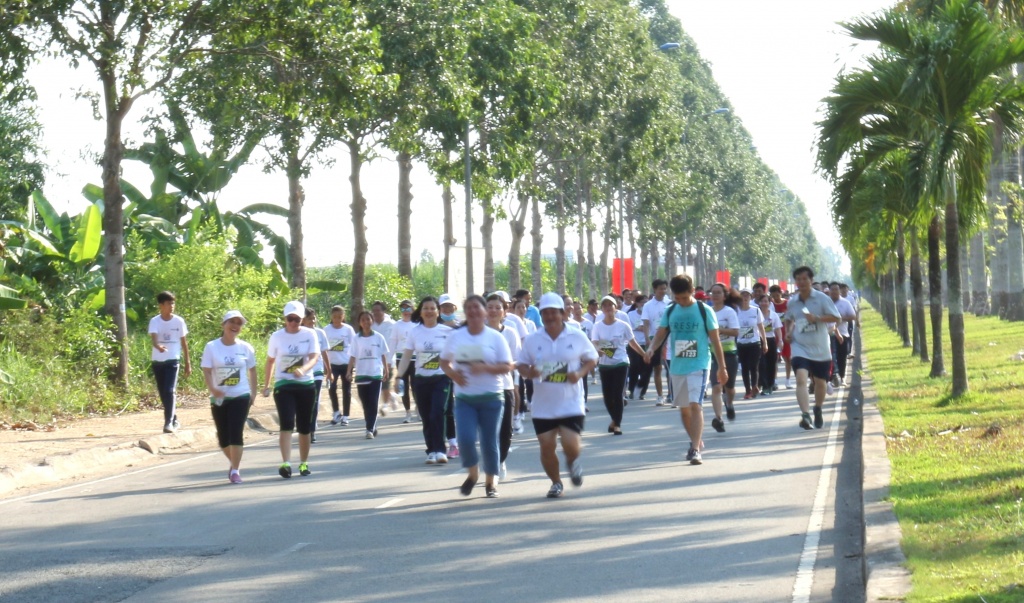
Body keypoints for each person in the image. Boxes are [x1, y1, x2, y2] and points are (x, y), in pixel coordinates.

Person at [517, 293, 599, 498]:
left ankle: (573, 462)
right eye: (546, 313)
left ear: (562, 313)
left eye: (554, 312)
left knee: (571, 445)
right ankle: (556, 482)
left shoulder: (576, 335)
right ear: (541, 315)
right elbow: (521, 364)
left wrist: (579, 373)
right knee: (546, 446)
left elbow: (592, 359)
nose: (550, 316)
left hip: (570, 402)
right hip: (543, 405)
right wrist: (529, 373)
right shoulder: (533, 339)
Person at [645, 274, 728, 465]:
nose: (681, 301)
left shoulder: (704, 310)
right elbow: (661, 333)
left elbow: (715, 340)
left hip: (699, 363)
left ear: (692, 292)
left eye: (684, 297)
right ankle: (696, 439)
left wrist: (721, 367)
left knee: (695, 405)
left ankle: (695, 449)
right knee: (684, 410)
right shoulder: (671, 310)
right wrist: (651, 348)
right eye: (677, 298)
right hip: (677, 365)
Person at [440, 295, 514, 498]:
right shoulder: (457, 336)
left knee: (490, 441)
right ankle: (473, 474)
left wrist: (486, 368)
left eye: (477, 308)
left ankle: (491, 482)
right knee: (465, 439)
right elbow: (444, 362)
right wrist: (454, 374)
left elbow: (507, 365)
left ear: (484, 312)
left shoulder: (495, 337)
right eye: (469, 308)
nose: (473, 311)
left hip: (491, 398)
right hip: (465, 399)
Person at [262, 300, 320, 478]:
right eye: (290, 319)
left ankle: (303, 463)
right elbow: (270, 361)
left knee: (304, 427)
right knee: (286, 422)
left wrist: (303, 369)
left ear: (302, 319)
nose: (293, 323)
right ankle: (286, 463)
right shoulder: (277, 336)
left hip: (305, 385)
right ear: (285, 319)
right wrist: (266, 385)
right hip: (284, 385)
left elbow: (314, 356)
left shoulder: (310, 334)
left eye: (297, 319)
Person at [200, 310, 257, 484]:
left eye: (239, 323)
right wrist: (213, 389)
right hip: (219, 398)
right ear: (223, 325)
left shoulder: (245, 348)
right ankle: (233, 463)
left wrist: (253, 393)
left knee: (236, 432)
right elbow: (207, 371)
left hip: (240, 395)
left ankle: (235, 470)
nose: (235, 326)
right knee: (223, 438)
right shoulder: (212, 347)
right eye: (232, 322)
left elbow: (252, 370)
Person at [784, 266, 842, 430]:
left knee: (820, 382)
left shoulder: (822, 298)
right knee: (801, 379)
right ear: (795, 282)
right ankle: (805, 414)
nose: (802, 282)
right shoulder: (793, 302)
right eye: (799, 279)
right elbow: (789, 319)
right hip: (799, 346)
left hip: (820, 347)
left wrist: (817, 318)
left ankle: (817, 408)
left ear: (811, 280)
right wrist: (788, 332)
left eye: (805, 279)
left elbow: (836, 318)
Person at [398, 296, 453, 464]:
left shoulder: (447, 332)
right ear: (420, 312)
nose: (429, 311)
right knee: (426, 416)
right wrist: (398, 376)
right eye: (425, 308)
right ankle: (431, 450)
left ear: (438, 312)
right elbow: (407, 356)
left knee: (438, 412)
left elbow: (455, 356)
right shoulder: (415, 332)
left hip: (442, 379)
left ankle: (441, 450)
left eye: (432, 308)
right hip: (421, 379)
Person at [592, 295, 646, 435]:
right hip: (605, 365)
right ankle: (614, 420)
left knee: (617, 394)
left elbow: (633, 343)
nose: (608, 308)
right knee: (607, 396)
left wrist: (644, 354)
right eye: (605, 306)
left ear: (615, 308)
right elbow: (594, 342)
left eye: (611, 305)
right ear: (602, 309)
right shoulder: (598, 326)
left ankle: (617, 425)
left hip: (621, 362)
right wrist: (598, 350)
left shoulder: (623, 325)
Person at [485, 294, 521, 480]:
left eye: (497, 307)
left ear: (504, 311)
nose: (493, 311)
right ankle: (493, 465)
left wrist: (504, 366)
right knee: (489, 430)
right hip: (484, 389)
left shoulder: (510, 333)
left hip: (505, 386)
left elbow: (518, 360)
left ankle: (501, 460)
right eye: (489, 307)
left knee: (505, 431)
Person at [148, 291, 191, 433]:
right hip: (158, 361)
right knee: (163, 393)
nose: (171, 306)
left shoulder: (179, 321)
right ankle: (174, 418)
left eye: (173, 303)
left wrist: (188, 363)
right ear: (161, 305)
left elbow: (184, 343)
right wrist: (158, 346)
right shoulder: (155, 321)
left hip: (173, 359)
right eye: (168, 303)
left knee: (170, 390)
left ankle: (168, 424)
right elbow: (154, 339)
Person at [349, 310, 391, 439]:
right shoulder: (356, 338)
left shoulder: (378, 337)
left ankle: (369, 429)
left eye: (368, 319)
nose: (366, 322)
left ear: (371, 321)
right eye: (363, 320)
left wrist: (386, 370)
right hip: (361, 375)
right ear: (360, 323)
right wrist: (348, 371)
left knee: (373, 402)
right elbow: (352, 356)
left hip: (375, 374)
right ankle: (371, 425)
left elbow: (383, 354)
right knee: (366, 403)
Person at [708, 283, 741, 425]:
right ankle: (718, 418)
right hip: (713, 353)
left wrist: (719, 330)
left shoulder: (729, 312)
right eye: (713, 293)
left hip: (729, 352)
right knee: (716, 386)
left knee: (729, 387)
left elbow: (735, 331)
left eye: (718, 292)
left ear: (724, 295)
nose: (715, 295)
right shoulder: (707, 311)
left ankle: (729, 403)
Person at [302, 308, 332, 443]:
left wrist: (329, 370)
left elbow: (325, 352)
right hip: (302, 373)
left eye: (314, 318)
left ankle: (312, 431)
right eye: (309, 318)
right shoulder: (299, 333)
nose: (312, 321)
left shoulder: (320, 333)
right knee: (303, 404)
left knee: (314, 402)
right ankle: (304, 428)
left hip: (317, 372)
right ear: (303, 319)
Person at [324, 306, 356, 426]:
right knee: (332, 388)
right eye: (335, 317)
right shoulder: (326, 330)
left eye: (340, 317)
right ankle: (336, 412)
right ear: (331, 317)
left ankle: (346, 416)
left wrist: (353, 365)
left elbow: (354, 347)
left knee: (346, 390)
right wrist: (325, 367)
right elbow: (324, 348)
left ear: (343, 317)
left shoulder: (348, 329)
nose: (337, 319)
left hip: (346, 364)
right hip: (332, 365)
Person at [438, 293, 461, 458]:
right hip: (440, 374)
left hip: (459, 372)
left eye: (450, 306)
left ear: (455, 308)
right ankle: (452, 442)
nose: (447, 309)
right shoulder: (433, 327)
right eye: (444, 307)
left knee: (461, 407)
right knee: (447, 409)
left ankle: (462, 440)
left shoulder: (461, 328)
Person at [389, 299, 418, 423]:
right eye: (403, 309)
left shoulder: (417, 324)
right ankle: (407, 412)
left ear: (413, 309)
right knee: (403, 386)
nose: (406, 311)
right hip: (401, 358)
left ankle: (418, 408)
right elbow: (393, 343)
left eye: (408, 309)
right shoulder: (397, 325)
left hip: (416, 358)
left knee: (416, 386)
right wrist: (388, 359)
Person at [735, 288, 768, 400]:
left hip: (754, 343)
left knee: (753, 366)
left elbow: (761, 327)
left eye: (747, 295)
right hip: (741, 343)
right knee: (744, 368)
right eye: (743, 295)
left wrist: (765, 342)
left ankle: (754, 386)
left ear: (751, 297)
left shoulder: (756, 310)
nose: (745, 297)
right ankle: (747, 390)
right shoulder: (736, 311)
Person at [642, 280, 670, 406]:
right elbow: (646, 323)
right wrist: (647, 338)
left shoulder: (669, 304)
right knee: (657, 368)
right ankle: (660, 396)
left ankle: (672, 393)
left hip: (669, 337)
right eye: (660, 289)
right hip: (655, 338)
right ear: (654, 289)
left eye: (665, 288)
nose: (663, 291)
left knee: (671, 367)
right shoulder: (648, 305)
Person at [371, 301, 398, 413]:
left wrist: (390, 359)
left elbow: (394, 343)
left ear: (383, 311)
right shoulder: (370, 324)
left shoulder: (391, 324)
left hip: (388, 359)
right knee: (378, 383)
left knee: (385, 382)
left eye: (378, 310)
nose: (376, 312)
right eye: (374, 310)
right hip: (373, 360)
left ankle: (385, 405)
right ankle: (391, 396)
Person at [829, 282, 857, 385]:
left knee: (842, 357)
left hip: (843, 334)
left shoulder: (845, 303)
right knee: (831, 357)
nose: (834, 291)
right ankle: (832, 378)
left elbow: (853, 316)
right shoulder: (826, 303)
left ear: (839, 290)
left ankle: (842, 377)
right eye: (832, 289)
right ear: (829, 291)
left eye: (836, 289)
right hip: (828, 334)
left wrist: (841, 318)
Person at [626, 294, 654, 401]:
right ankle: (632, 389)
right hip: (635, 345)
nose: (644, 304)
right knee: (634, 367)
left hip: (648, 344)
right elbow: (631, 328)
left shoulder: (650, 314)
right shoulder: (630, 315)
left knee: (646, 369)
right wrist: (640, 327)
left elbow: (652, 326)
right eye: (642, 302)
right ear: (637, 303)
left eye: (646, 302)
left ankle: (642, 391)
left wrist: (643, 328)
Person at [757, 294, 783, 395]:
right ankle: (764, 385)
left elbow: (778, 329)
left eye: (766, 301)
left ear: (769, 303)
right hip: (759, 340)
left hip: (771, 340)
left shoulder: (774, 315)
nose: (764, 303)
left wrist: (780, 340)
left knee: (772, 363)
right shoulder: (756, 313)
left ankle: (771, 384)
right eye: (762, 301)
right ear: (759, 303)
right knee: (761, 364)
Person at [770, 284, 793, 388]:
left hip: (786, 334)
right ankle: (774, 380)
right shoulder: (770, 305)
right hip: (775, 334)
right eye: (773, 296)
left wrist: (790, 332)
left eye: (777, 295)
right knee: (774, 359)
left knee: (788, 358)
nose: (776, 298)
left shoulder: (788, 304)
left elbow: (793, 319)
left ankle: (788, 380)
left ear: (781, 293)